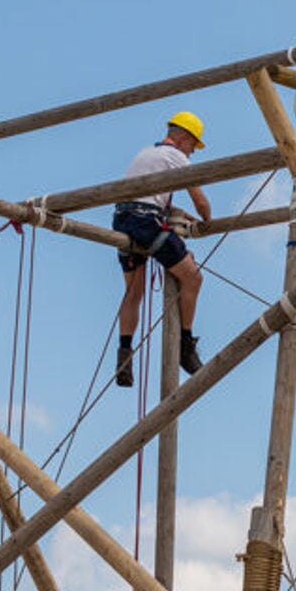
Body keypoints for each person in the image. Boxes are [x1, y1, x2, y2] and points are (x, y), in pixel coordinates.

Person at [111, 111, 212, 388]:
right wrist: (207, 219)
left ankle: (124, 356)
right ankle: (185, 345)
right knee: (192, 277)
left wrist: (179, 214)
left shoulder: (146, 155)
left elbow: (148, 199)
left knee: (134, 292)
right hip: (147, 223)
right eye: (193, 145)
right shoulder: (176, 157)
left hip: (122, 220)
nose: (192, 153)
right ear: (183, 138)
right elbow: (201, 201)